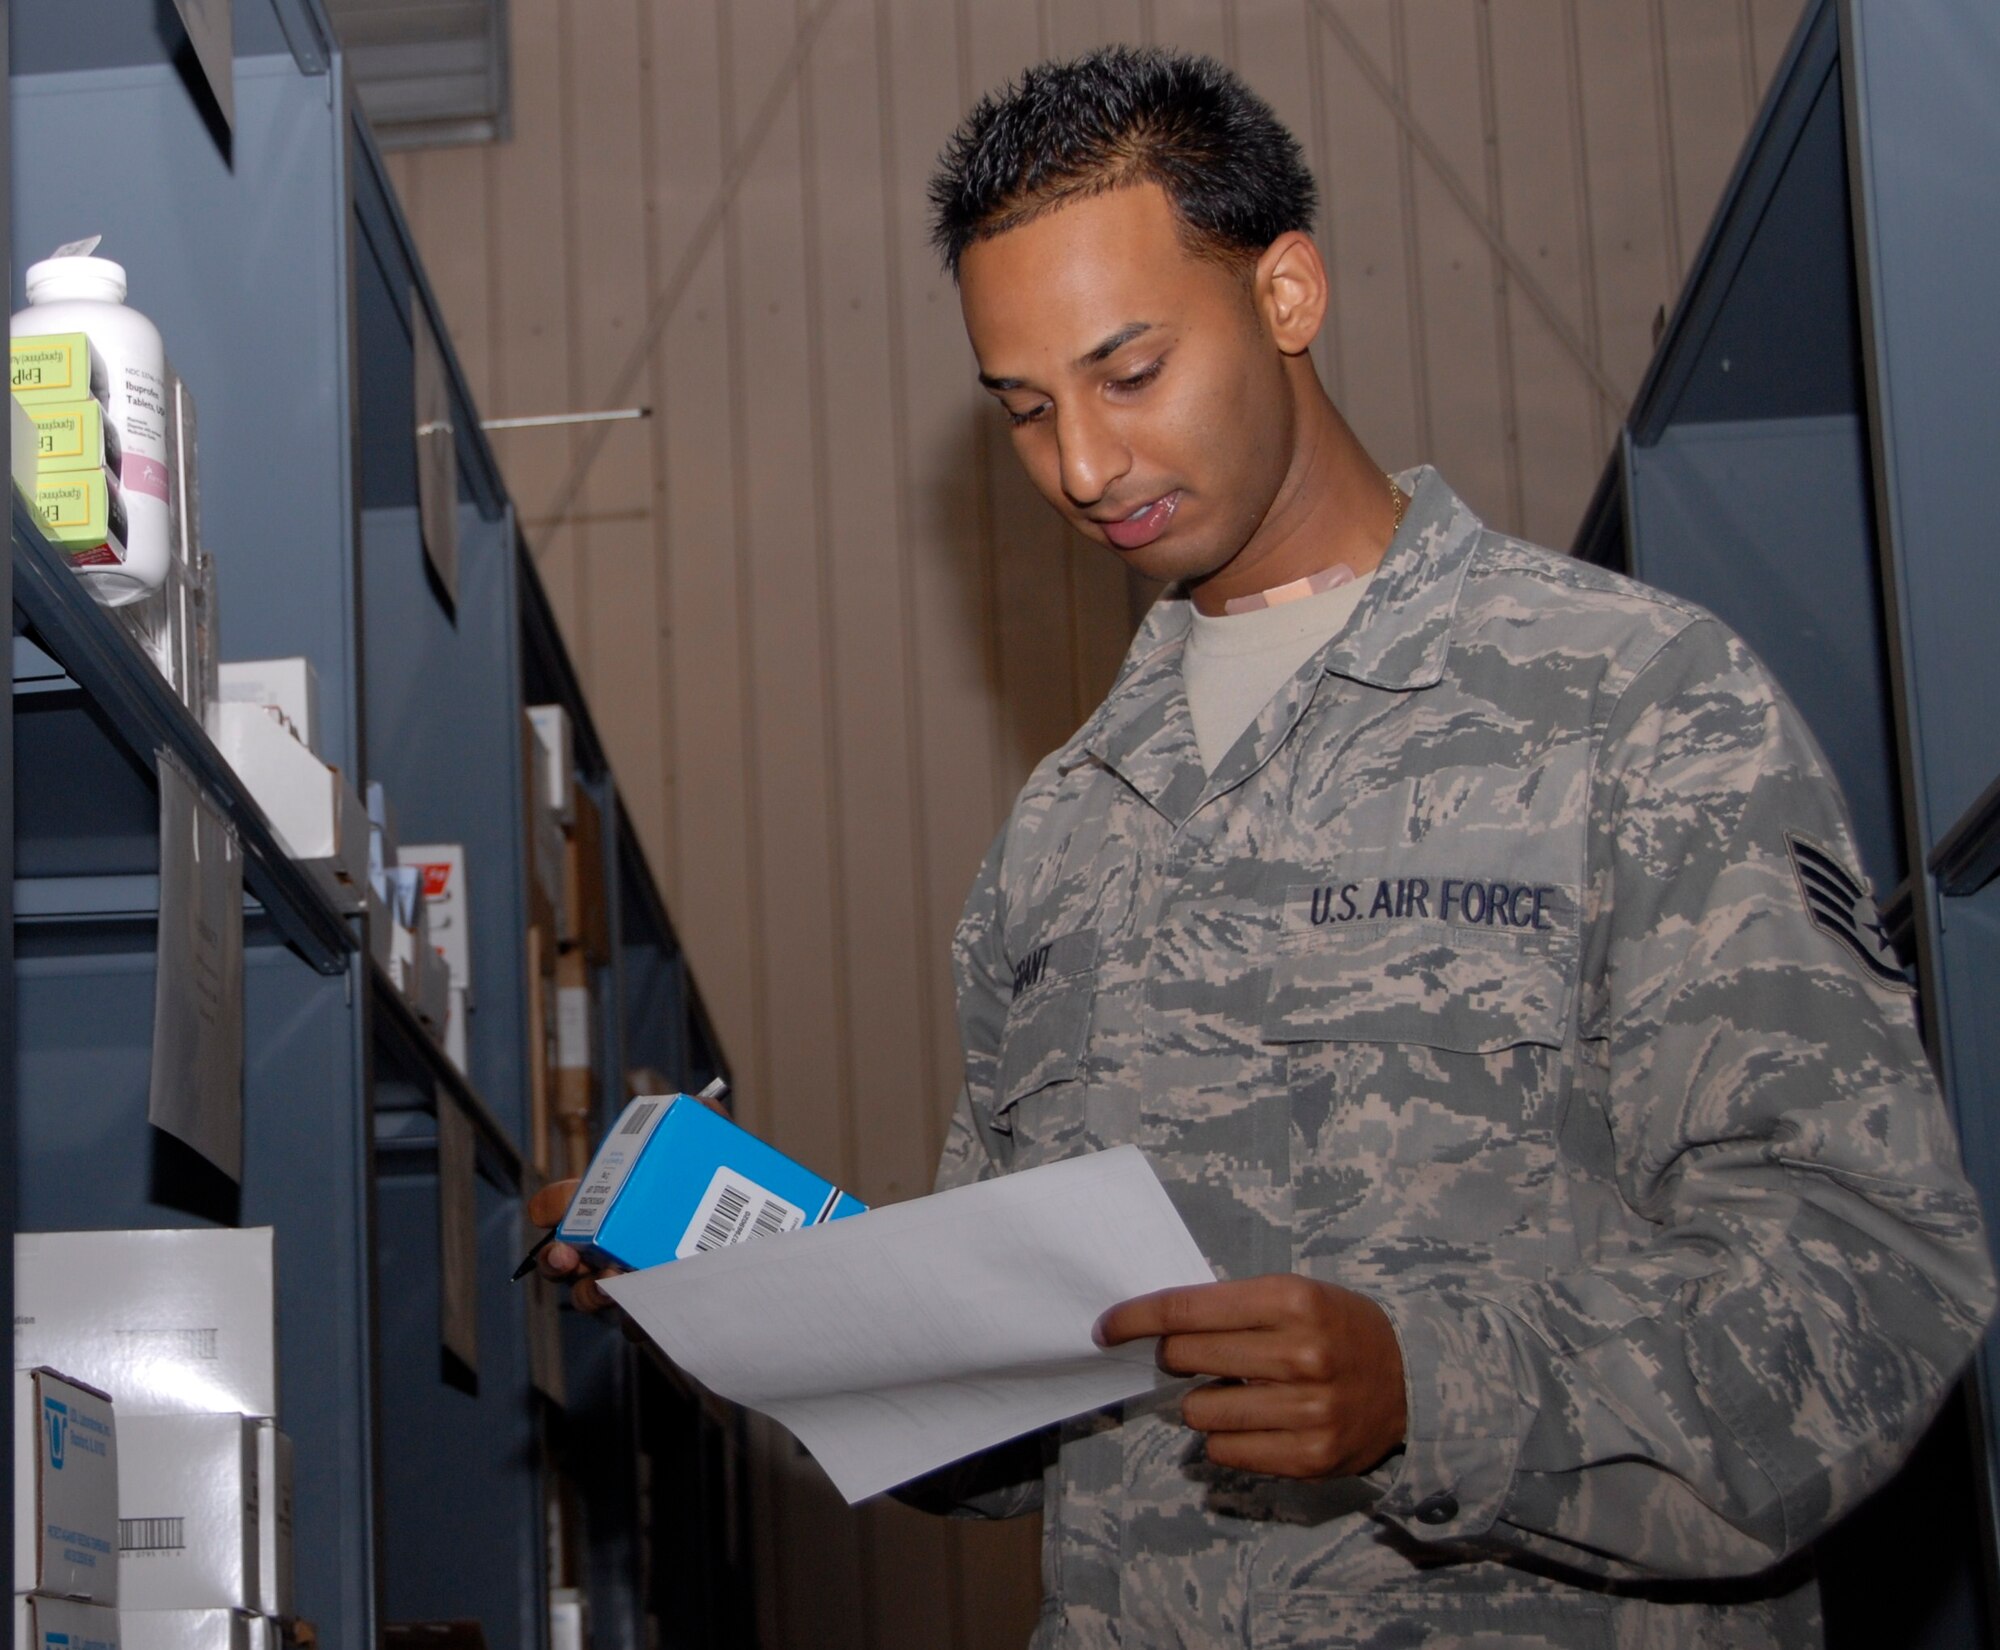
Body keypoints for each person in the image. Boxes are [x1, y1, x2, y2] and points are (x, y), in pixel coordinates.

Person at [533, 45, 1996, 1649]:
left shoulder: (1627, 703)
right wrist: (763, 1310)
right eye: (1026, 410)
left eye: (1129, 372)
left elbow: (1870, 1286)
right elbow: (1032, 1420)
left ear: (1288, 292)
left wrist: (1424, 1386)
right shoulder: (1065, 836)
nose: (1081, 467)